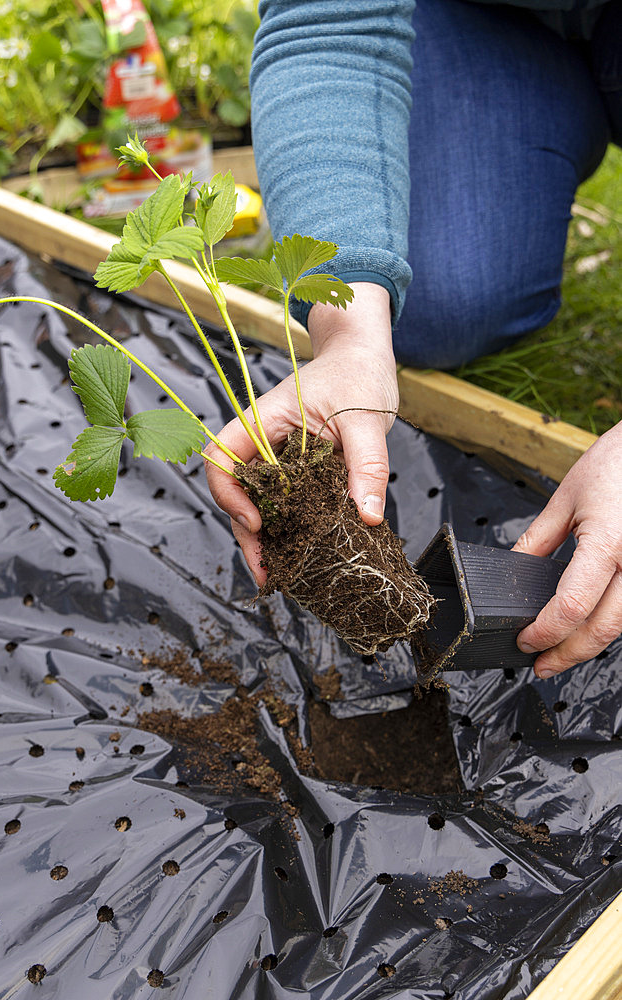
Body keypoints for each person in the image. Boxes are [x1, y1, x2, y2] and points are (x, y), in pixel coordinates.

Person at [205, 0, 622, 680]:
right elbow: (326, 24)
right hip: (485, 19)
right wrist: (348, 337)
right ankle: (547, 92)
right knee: (427, 304)